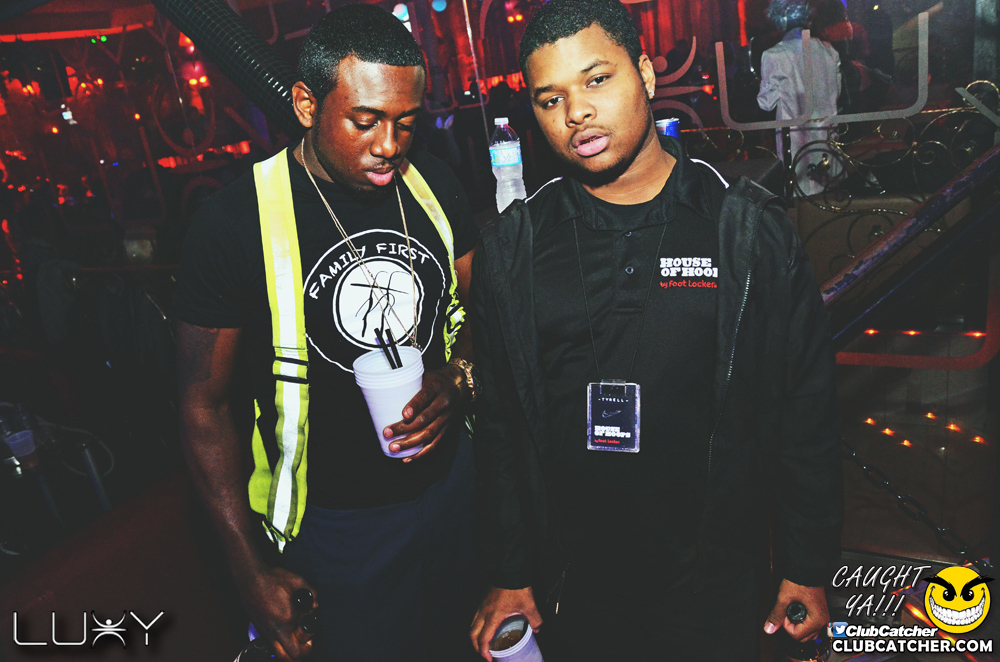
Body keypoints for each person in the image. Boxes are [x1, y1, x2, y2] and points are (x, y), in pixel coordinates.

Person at [467, 0, 843, 660]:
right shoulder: (514, 248)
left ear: (643, 72)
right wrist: (509, 571)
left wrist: (806, 562)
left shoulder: (743, 229)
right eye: (550, 99)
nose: (576, 112)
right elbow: (499, 425)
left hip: (716, 582)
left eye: (596, 79)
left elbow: (804, 405)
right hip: (574, 588)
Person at [174, 5, 479, 661]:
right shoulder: (233, 223)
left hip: (457, 490)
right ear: (307, 105)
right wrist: (248, 570)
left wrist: (459, 378)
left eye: (405, 122)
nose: (389, 145)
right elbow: (204, 405)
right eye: (365, 121)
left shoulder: (434, 184)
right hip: (340, 528)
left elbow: (482, 311)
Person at [757, 0, 842, 197]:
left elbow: (765, 103)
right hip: (827, 138)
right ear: (809, 20)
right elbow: (836, 93)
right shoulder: (828, 51)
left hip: (797, 145)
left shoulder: (774, 55)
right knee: (832, 200)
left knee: (801, 202)